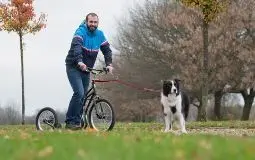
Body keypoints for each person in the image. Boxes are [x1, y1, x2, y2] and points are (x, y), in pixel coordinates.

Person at [65, 12, 113, 130]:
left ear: (98, 23)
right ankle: (70, 121)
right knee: (79, 93)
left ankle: (78, 120)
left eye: (95, 22)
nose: (93, 24)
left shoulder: (100, 35)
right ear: (86, 22)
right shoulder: (80, 32)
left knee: (84, 96)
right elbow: (76, 48)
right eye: (91, 22)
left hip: (86, 69)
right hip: (74, 66)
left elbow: (107, 51)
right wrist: (79, 61)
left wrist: (109, 64)